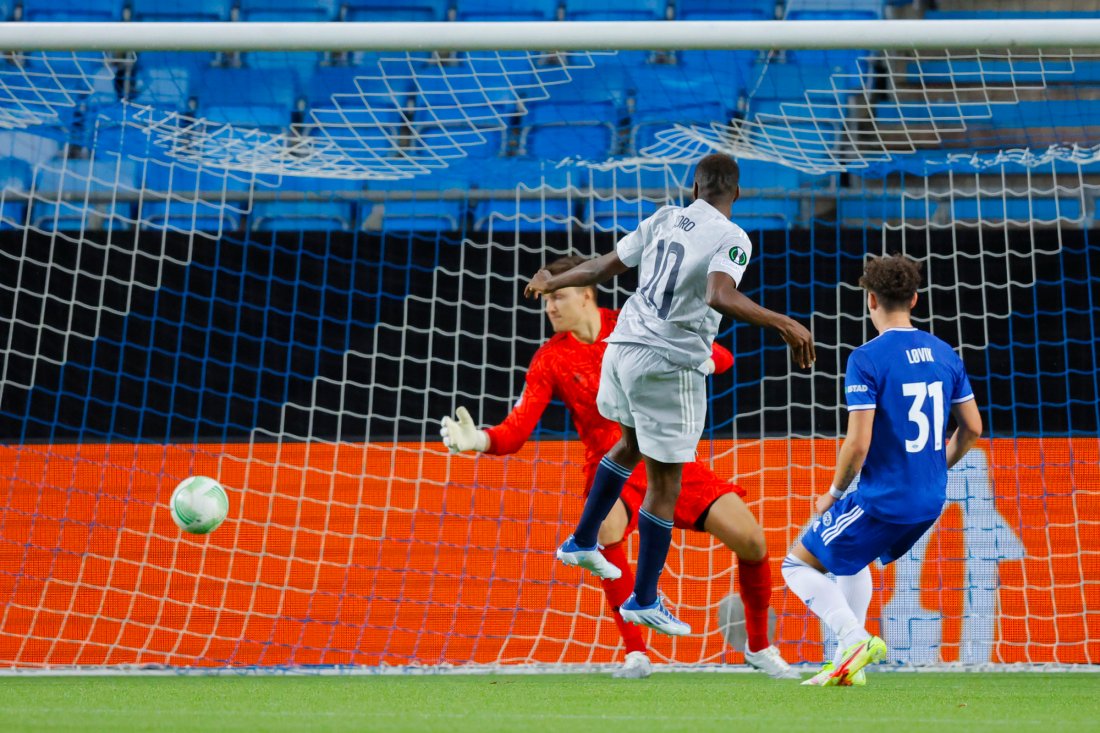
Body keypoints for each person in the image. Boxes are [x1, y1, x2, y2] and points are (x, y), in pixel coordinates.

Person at [441, 255, 797, 680]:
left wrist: (690, 359)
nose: (550, 308)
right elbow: (517, 432)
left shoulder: (634, 324)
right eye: (547, 301)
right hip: (612, 471)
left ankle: (759, 648)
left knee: (753, 541)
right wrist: (478, 440)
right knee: (605, 527)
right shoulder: (550, 360)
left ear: (587, 294)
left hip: (670, 459)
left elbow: (722, 358)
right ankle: (637, 653)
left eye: (559, 297)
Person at [522, 154, 815, 639]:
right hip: (665, 363)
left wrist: (554, 279)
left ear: (694, 187)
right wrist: (783, 322)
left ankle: (581, 539)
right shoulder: (732, 237)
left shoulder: (661, 218)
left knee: (628, 443)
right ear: (735, 194)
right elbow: (721, 295)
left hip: (622, 350)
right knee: (665, 484)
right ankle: (645, 597)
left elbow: (606, 265)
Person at [781, 254, 983, 686]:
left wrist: (832, 494)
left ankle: (853, 638)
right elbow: (973, 427)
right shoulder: (945, 354)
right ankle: (847, 666)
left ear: (870, 299)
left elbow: (858, 443)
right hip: (929, 499)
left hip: (885, 497)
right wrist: (934, 465)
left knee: (797, 566)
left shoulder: (866, 358)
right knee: (851, 560)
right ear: (914, 298)